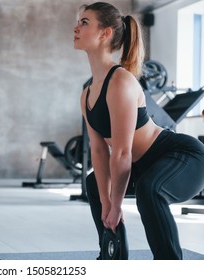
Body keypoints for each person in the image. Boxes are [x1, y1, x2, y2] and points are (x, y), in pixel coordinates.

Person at [73, 2, 204, 260]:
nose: (76, 27)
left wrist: (116, 205)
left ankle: (170, 268)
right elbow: (100, 151)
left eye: (84, 22)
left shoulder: (121, 81)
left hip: (185, 157)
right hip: (144, 164)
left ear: (105, 33)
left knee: (150, 188)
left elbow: (121, 152)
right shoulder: (87, 93)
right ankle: (112, 257)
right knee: (94, 183)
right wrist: (107, 206)